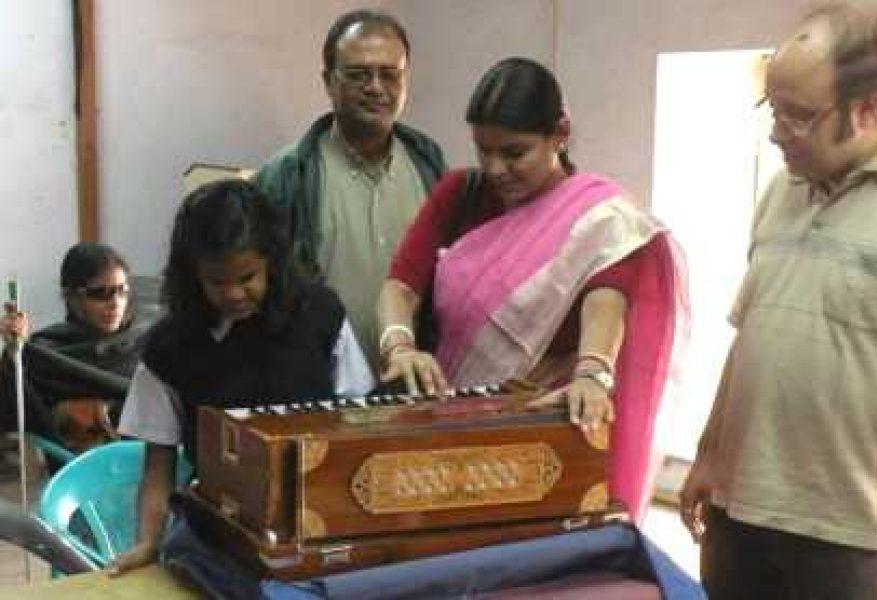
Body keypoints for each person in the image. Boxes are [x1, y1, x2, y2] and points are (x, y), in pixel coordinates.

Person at [679, 3, 877, 598]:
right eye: (772, 110)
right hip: (739, 514)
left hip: (853, 539)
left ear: (867, 109)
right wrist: (708, 453)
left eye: (797, 117)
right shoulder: (781, 190)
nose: (778, 131)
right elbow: (750, 335)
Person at [378, 57, 687, 521]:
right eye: (484, 150)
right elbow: (400, 286)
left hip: (542, 442)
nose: (496, 168)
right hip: (447, 425)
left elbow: (608, 298)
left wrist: (592, 372)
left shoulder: (599, 220)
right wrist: (399, 346)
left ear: (560, 133)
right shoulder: (460, 193)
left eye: (514, 152)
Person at [109, 179, 373, 575]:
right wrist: (148, 543)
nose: (233, 294)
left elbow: (360, 420)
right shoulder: (170, 347)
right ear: (192, 276)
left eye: (247, 277)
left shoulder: (320, 315)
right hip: (221, 529)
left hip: (321, 520)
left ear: (273, 263)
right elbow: (158, 466)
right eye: (216, 282)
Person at [255, 9, 446, 371]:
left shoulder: (429, 167)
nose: (375, 87)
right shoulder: (286, 176)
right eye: (358, 74)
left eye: (390, 74)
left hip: (412, 389)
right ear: (329, 81)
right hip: (318, 390)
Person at [0, 243, 143, 454]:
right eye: (101, 293)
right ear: (72, 297)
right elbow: (19, 404)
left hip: (151, 463)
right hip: (78, 473)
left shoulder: (144, 343)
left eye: (122, 291)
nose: (115, 303)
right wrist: (14, 353)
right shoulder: (45, 352)